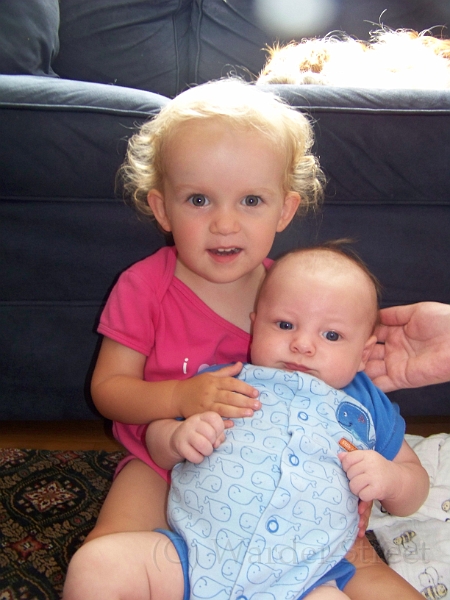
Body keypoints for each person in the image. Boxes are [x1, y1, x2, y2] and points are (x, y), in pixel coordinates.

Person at [63, 78, 428, 600]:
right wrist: (181, 399)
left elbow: (341, 380)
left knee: (357, 564)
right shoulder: (145, 286)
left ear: (284, 210)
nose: (225, 223)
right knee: (109, 554)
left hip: (295, 486)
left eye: (251, 200)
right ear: (163, 209)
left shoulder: (302, 295)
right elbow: (109, 391)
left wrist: (368, 473)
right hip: (163, 456)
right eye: (199, 200)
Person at [63, 245, 430, 600]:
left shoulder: (366, 406)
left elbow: (413, 481)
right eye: (284, 324)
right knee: (97, 566)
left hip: (304, 579)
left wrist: (392, 480)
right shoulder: (227, 380)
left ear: (364, 354)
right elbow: (156, 444)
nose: (302, 344)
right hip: (194, 556)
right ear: (255, 327)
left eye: (331, 335)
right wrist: (177, 437)